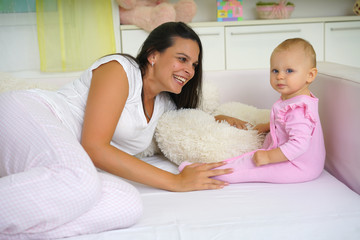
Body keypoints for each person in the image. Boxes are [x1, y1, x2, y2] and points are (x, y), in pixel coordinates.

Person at [0, 22, 232, 239]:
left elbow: (194, 122)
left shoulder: (165, 105)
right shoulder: (120, 69)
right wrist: (175, 181)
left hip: (59, 160)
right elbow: (94, 147)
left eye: (194, 65)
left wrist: (225, 119)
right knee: (79, 179)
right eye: (182, 59)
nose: (189, 71)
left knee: (126, 204)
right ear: (153, 55)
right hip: (32, 112)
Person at [180, 38, 326, 184]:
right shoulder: (296, 100)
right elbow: (289, 124)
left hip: (298, 166)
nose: (280, 76)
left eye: (289, 71)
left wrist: (269, 157)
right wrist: (269, 126)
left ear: (310, 75)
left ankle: (208, 174)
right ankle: (202, 168)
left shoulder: (298, 108)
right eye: (275, 70)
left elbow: (299, 144)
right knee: (246, 159)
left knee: (250, 169)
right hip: (302, 162)